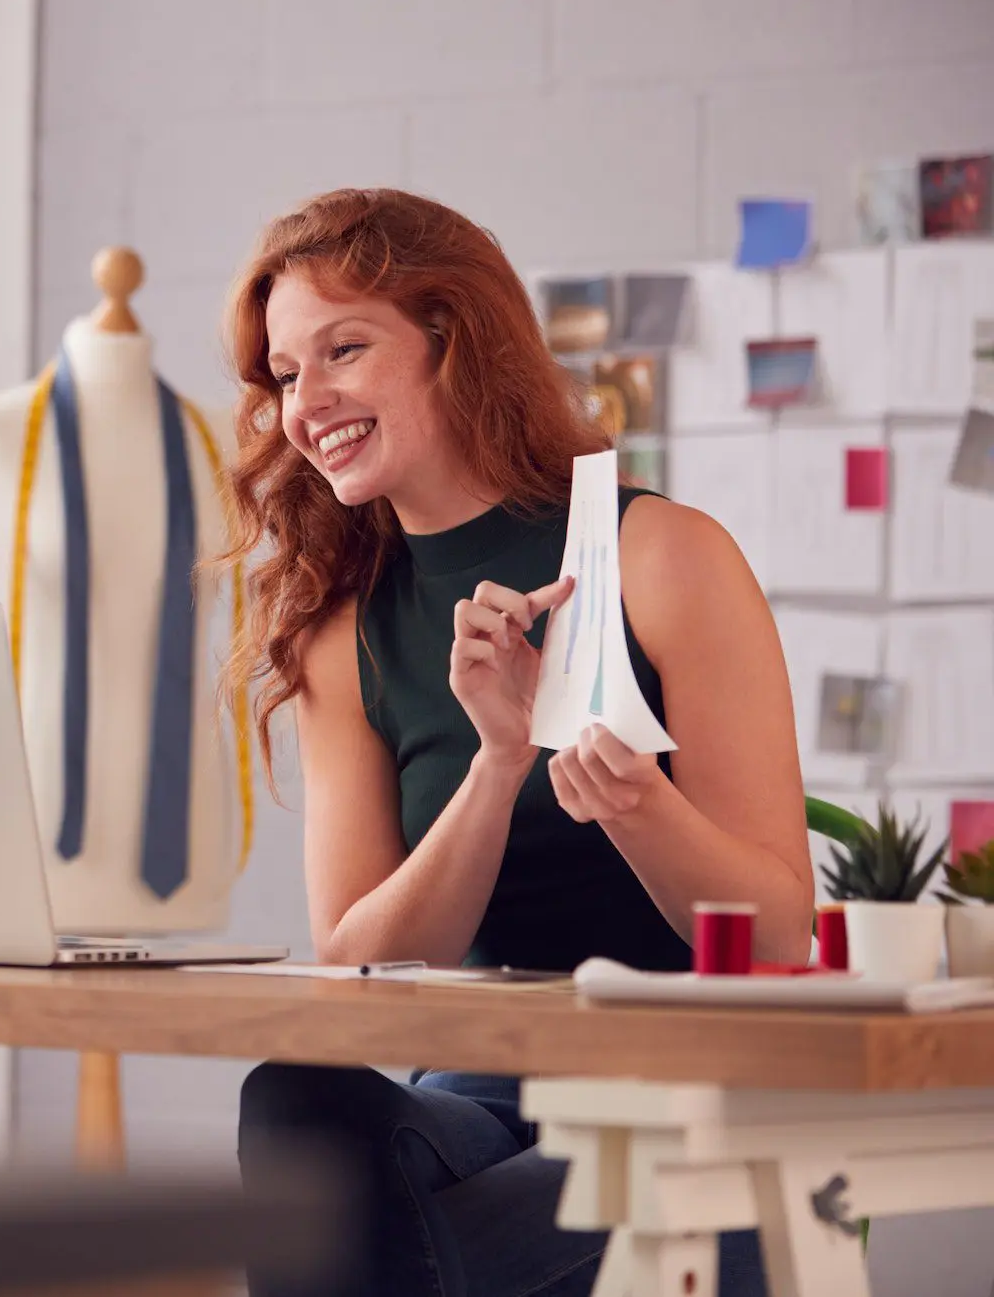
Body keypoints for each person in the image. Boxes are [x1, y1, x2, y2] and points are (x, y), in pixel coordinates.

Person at [222, 189, 812, 1297]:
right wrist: (497, 766)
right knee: (298, 1099)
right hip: (484, 1102)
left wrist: (630, 795)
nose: (308, 403)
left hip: (689, 1111)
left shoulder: (663, 557)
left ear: (456, 346)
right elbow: (360, 961)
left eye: (344, 348)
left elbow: (778, 931)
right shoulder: (342, 628)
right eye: (286, 373)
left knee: (369, 1252)